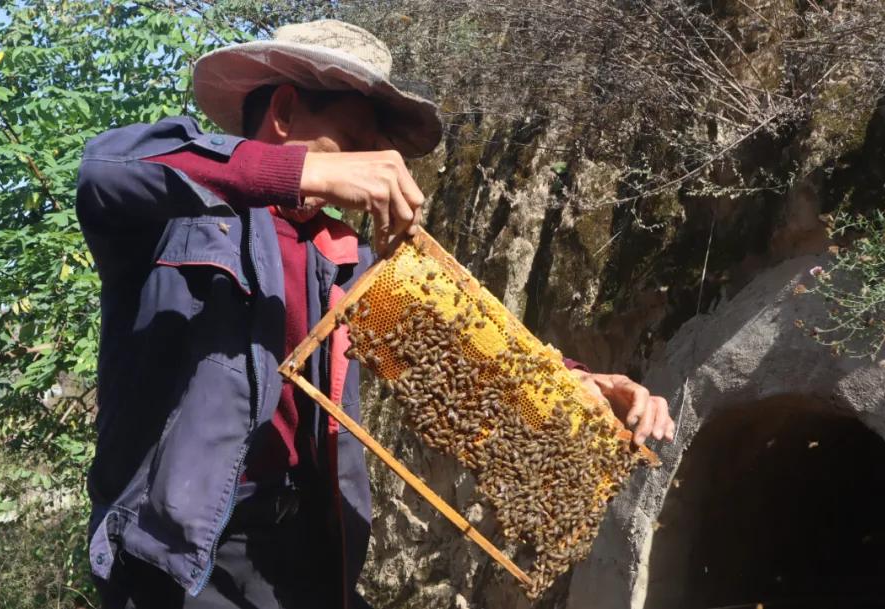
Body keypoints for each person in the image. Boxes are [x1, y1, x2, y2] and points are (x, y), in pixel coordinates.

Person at [75, 19, 674, 609]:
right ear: (284, 113)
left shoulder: (346, 259)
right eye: (356, 142)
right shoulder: (177, 216)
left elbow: (469, 350)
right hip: (177, 555)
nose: (370, 165)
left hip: (305, 553)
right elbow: (107, 170)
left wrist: (577, 388)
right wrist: (305, 173)